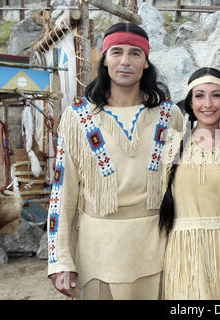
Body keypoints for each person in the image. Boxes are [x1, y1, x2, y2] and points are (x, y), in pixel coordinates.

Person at [47, 23, 183, 300]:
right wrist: (60, 259)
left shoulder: (170, 114)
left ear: (146, 63)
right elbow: (63, 192)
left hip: (159, 249)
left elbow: (180, 186)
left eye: (135, 53)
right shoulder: (77, 116)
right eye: (116, 52)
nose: (125, 61)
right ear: (104, 59)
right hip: (98, 253)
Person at [159, 67, 220, 299]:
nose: (207, 103)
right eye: (199, 95)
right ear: (190, 103)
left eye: (216, 95)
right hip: (183, 253)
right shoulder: (170, 144)